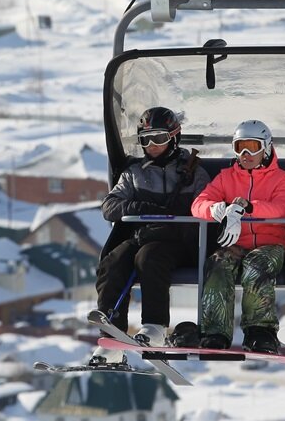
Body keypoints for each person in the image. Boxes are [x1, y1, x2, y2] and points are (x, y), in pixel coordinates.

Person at [90, 106, 210, 364]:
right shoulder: (135, 173)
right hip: (143, 235)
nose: (152, 145)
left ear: (174, 138)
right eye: (146, 139)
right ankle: (113, 336)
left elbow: (206, 205)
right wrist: (138, 208)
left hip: (179, 241)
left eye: (159, 138)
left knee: (149, 258)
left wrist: (178, 216)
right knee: (112, 262)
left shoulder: (192, 173)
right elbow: (110, 206)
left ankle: (155, 327)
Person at [172, 120, 285, 354]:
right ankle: (215, 332)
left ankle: (260, 331)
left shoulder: (280, 178)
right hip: (235, 245)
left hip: (272, 246)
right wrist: (215, 209)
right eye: (240, 147)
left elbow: (282, 208)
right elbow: (198, 204)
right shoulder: (226, 177)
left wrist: (249, 207)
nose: (246, 154)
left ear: (266, 148)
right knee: (217, 265)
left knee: (256, 265)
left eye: (252, 147)